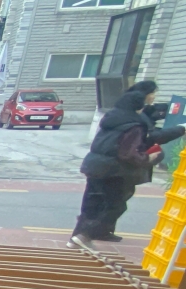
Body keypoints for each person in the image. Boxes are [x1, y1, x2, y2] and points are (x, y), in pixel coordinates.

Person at [74, 80, 184, 242]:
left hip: (95, 165)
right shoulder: (134, 124)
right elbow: (130, 152)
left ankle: (82, 235)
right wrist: (149, 158)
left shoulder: (114, 116)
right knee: (115, 204)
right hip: (116, 170)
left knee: (93, 202)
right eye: (153, 93)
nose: (154, 96)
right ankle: (86, 235)